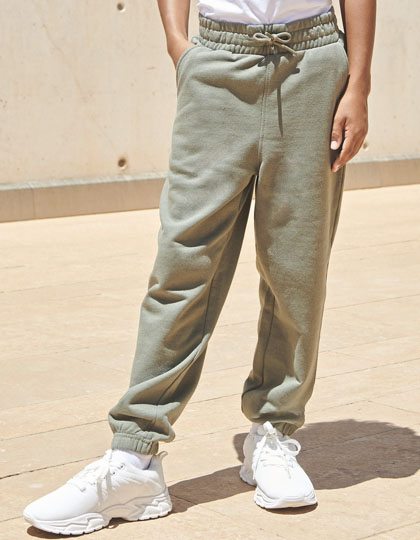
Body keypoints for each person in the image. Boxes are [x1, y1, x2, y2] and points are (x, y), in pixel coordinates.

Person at [23, 0, 376, 534]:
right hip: (215, 63)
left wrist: (359, 83)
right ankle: (134, 456)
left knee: (297, 270)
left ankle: (273, 432)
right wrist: (178, 43)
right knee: (182, 266)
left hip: (314, 67)